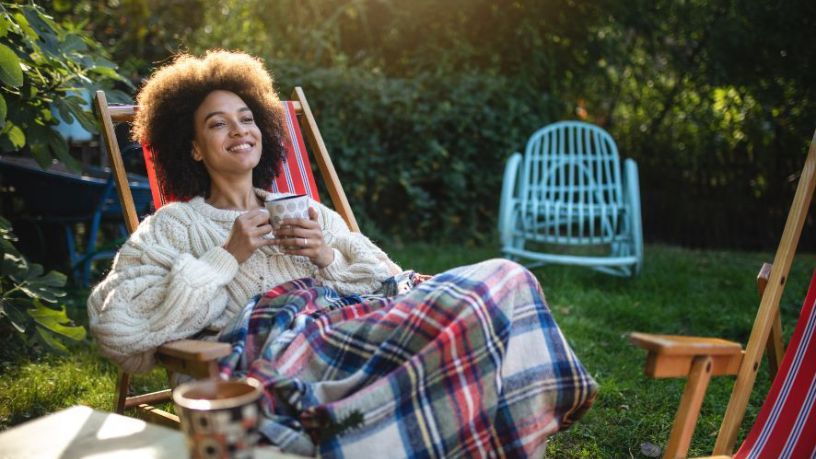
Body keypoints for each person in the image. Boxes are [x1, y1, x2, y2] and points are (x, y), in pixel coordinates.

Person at [88, 50, 597, 457]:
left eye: (247, 118)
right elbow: (118, 330)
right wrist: (228, 255)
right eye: (217, 124)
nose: (240, 129)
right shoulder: (175, 225)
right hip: (282, 349)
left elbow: (392, 279)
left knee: (507, 279)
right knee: (484, 297)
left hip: (352, 329)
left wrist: (327, 255)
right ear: (194, 147)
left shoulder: (303, 209)